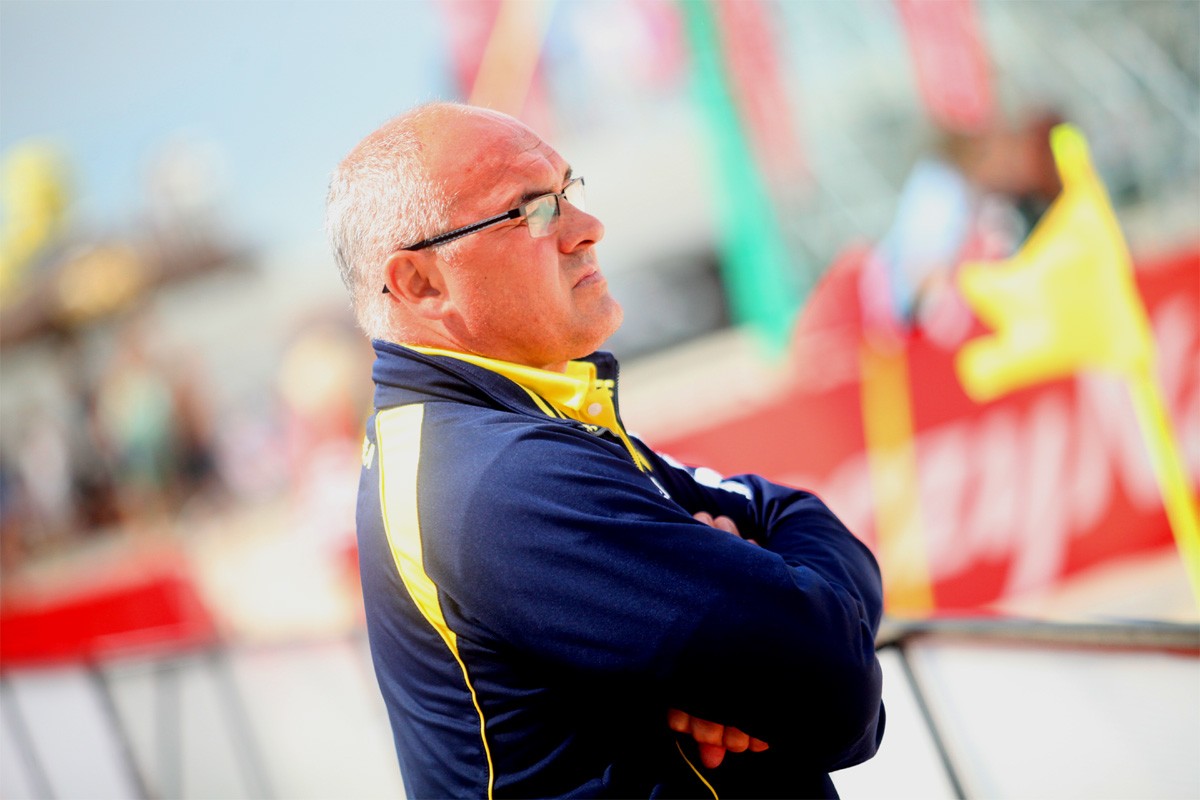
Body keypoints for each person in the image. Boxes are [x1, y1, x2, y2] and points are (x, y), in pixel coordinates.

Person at [326, 102, 884, 799]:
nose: (587, 228)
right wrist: (780, 597)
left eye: (568, 190)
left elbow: (792, 513)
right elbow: (835, 690)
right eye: (531, 211)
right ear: (421, 283)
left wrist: (777, 597)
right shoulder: (500, 478)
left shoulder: (482, 432)